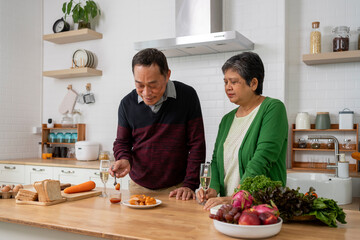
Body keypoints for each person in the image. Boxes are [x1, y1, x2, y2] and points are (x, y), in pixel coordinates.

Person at [110, 48, 206, 200]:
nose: (146, 93)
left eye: (153, 85)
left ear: (167, 75)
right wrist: (123, 158)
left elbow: (197, 144)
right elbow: (122, 142)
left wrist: (189, 184)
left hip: (179, 189)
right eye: (140, 85)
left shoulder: (187, 96)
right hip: (139, 187)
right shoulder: (126, 104)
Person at [196, 52, 288, 210]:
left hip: (261, 208)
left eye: (234, 82)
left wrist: (235, 198)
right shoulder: (227, 120)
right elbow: (217, 161)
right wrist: (214, 189)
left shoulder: (273, 108)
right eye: (225, 82)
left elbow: (263, 158)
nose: (228, 87)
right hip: (229, 208)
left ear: (253, 83)